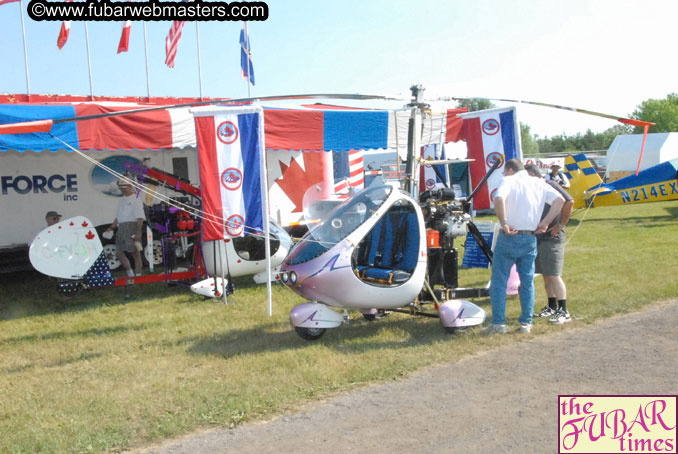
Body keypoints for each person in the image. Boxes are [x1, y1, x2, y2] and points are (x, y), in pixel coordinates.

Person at [483, 159, 565, 335]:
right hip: (530, 237)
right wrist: (545, 222)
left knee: (499, 280)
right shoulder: (538, 182)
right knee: (527, 282)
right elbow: (560, 200)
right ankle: (526, 324)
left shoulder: (508, 181)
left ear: (510, 170)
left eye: (505, 172)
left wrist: (503, 222)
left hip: (509, 235)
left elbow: (498, 198)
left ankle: (499, 323)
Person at [525, 164, 574, 324]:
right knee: (546, 274)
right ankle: (551, 306)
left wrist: (561, 224)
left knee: (554, 274)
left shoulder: (550, 185)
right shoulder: (536, 188)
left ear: (532, 175)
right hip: (540, 236)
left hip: (552, 237)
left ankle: (564, 310)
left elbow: (569, 202)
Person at [104, 179, 146, 278]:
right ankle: (130, 273)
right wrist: (111, 227)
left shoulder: (136, 199)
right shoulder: (121, 200)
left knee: (135, 253)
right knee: (119, 252)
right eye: (121, 188)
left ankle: (138, 276)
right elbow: (118, 217)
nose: (122, 190)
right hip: (121, 228)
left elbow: (140, 217)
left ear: (130, 187)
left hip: (132, 226)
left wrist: (138, 231)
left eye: (124, 188)